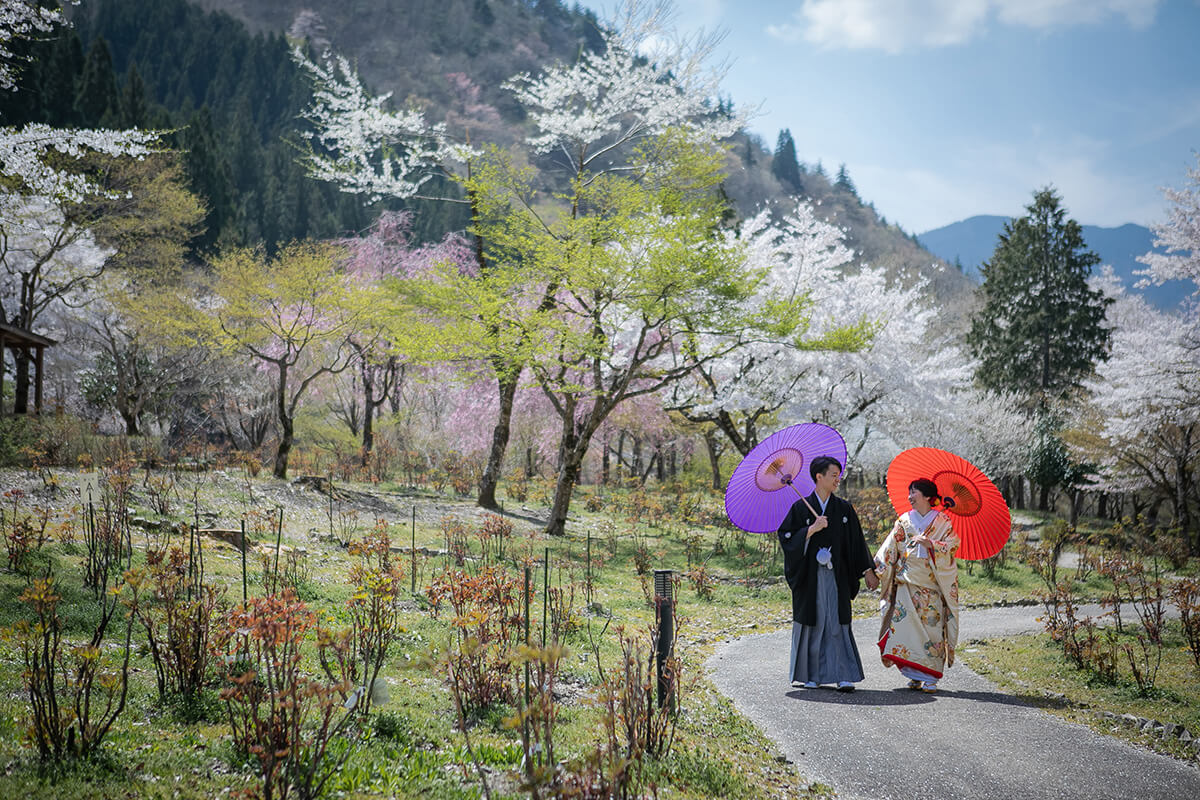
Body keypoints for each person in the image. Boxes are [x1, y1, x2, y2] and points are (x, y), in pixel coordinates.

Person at [777, 455, 879, 692]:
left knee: (835, 621)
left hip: (837, 576)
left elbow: (856, 543)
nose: (837, 480)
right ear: (818, 476)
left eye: (838, 476)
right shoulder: (800, 508)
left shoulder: (843, 509)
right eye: (833, 475)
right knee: (814, 623)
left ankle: (843, 674)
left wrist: (867, 571)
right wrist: (811, 529)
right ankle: (811, 675)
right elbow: (787, 538)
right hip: (810, 576)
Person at [874, 478, 961, 693]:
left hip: (932, 586)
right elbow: (890, 548)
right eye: (909, 492)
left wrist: (932, 544)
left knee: (931, 633)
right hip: (907, 583)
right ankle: (914, 673)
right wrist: (877, 569)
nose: (910, 497)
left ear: (928, 496)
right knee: (905, 631)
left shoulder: (943, 522)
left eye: (914, 492)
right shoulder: (904, 521)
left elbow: (952, 547)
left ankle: (930, 677)